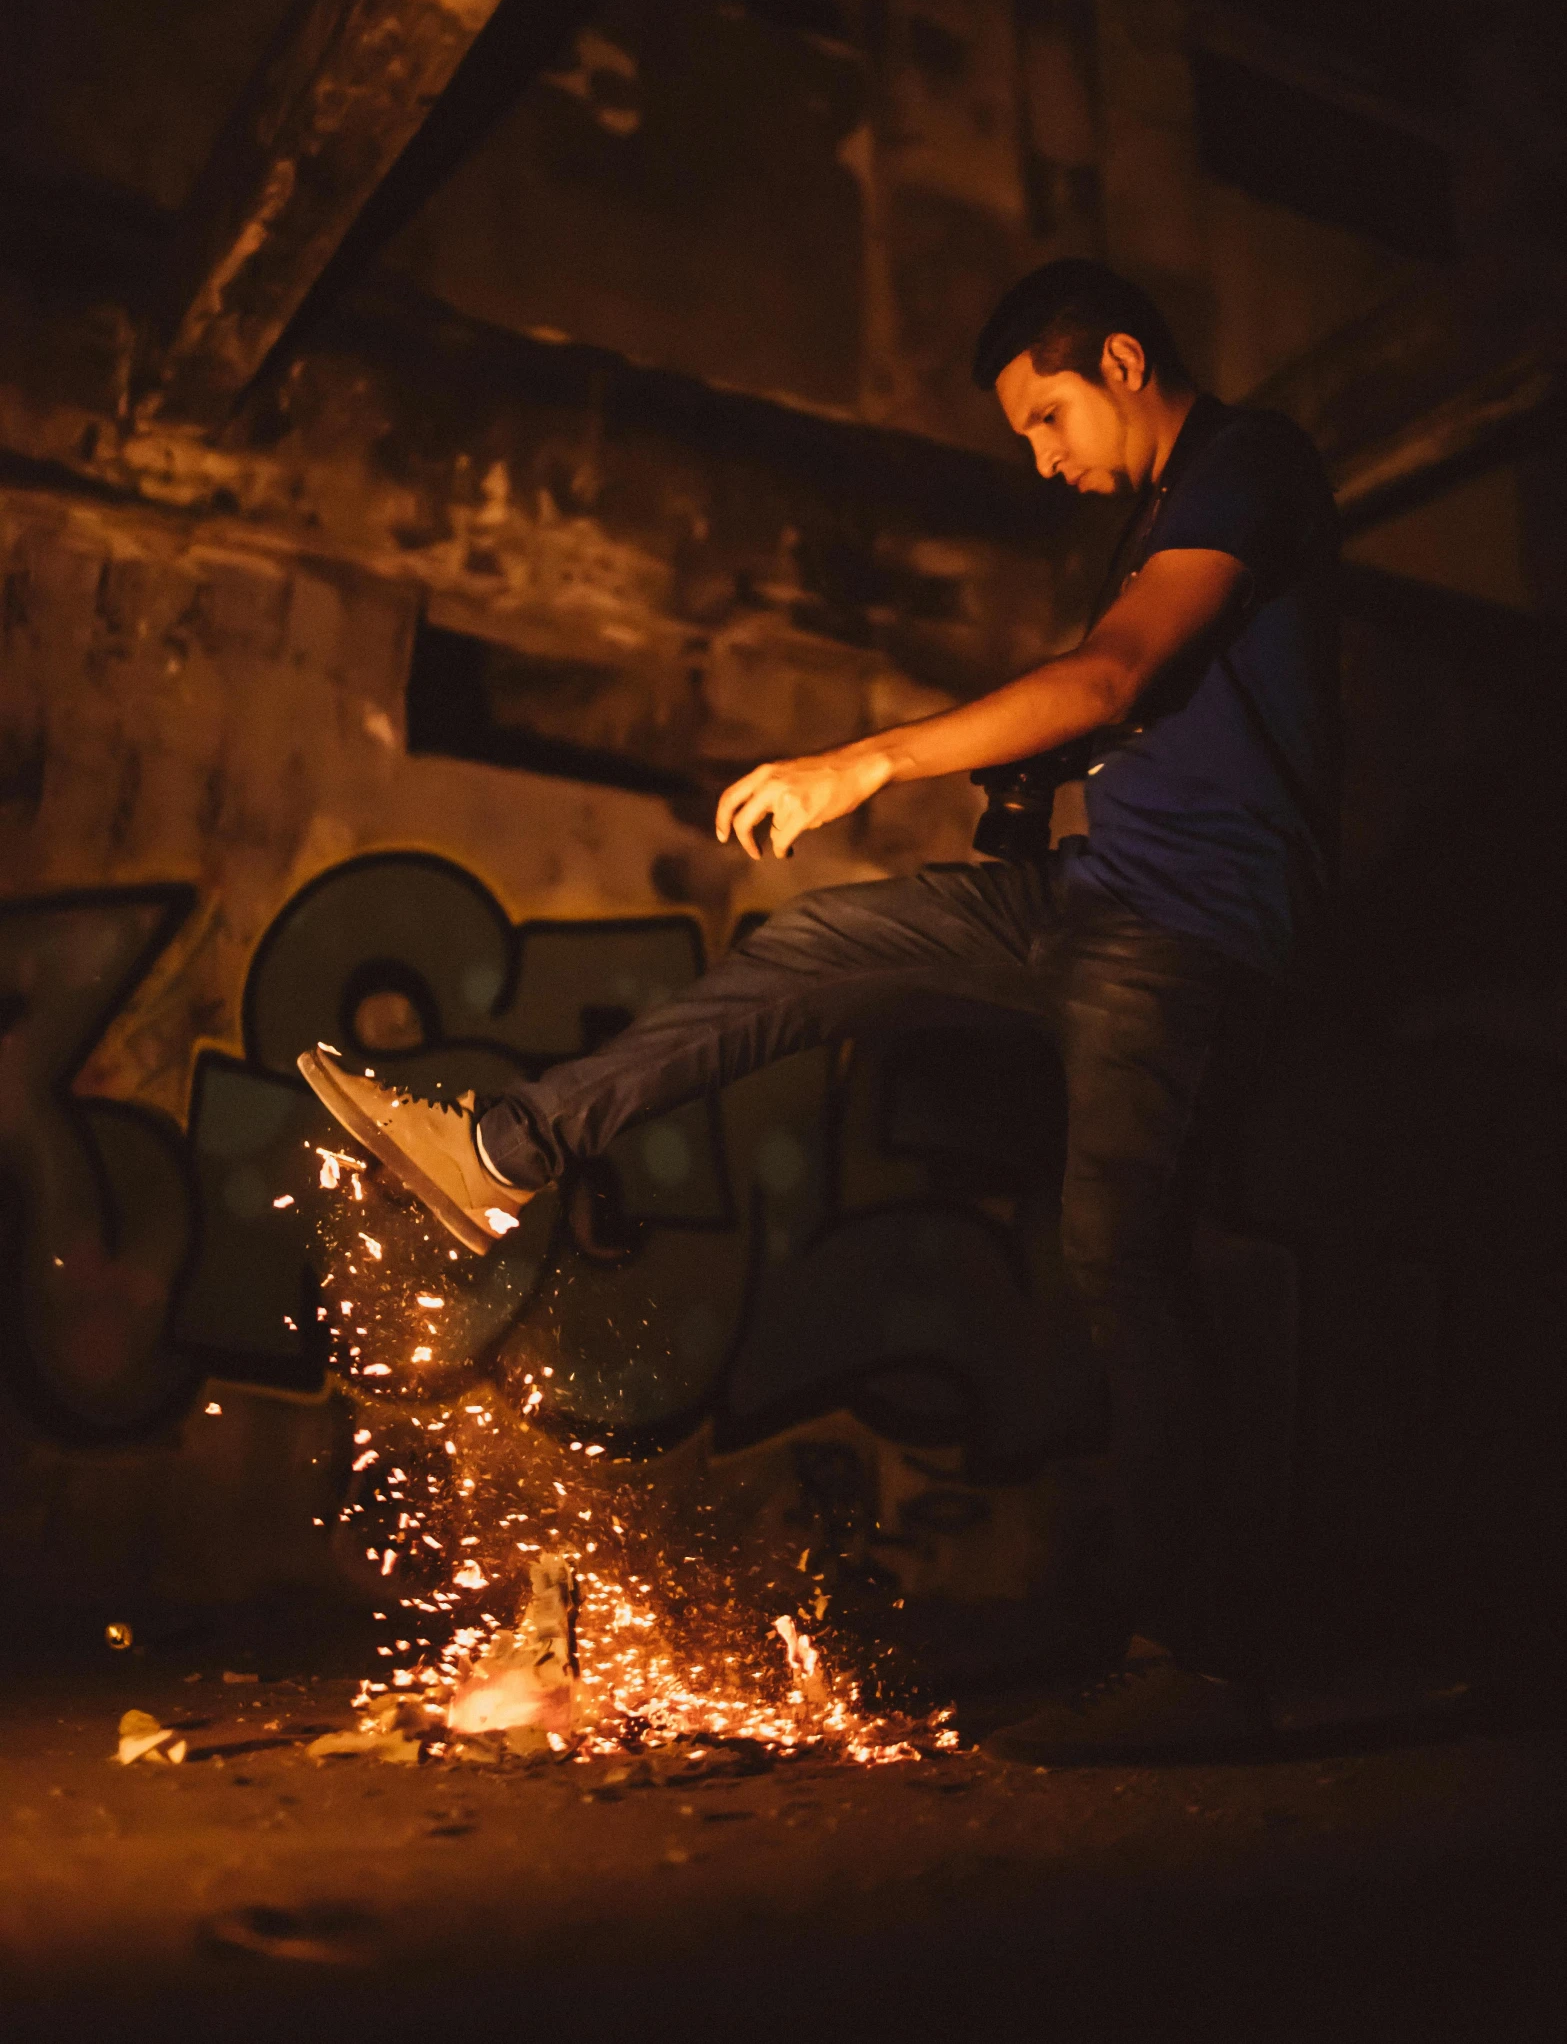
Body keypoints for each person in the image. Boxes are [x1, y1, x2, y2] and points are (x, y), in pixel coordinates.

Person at [300, 258, 1340, 1759]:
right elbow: (1144, 711)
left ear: (1122, 359)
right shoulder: (1157, 511)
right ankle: (506, 1152)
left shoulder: (1250, 463)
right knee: (816, 947)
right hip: (1090, 897)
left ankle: (1202, 1654)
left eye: (1047, 418)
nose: (1043, 459)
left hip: (1187, 934)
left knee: (1121, 1257)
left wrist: (867, 761)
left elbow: (1114, 674)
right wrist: (1030, 783)